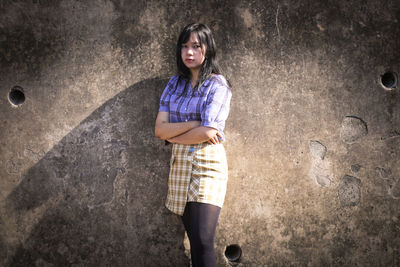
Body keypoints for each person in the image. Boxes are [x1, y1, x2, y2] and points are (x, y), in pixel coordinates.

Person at [154, 23, 232, 267]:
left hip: (207, 164)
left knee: (203, 239)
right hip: (180, 165)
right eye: (184, 46)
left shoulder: (217, 85)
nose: (189, 52)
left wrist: (173, 136)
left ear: (207, 49)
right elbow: (159, 129)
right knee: (193, 240)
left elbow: (209, 131)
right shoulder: (173, 85)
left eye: (195, 46)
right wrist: (194, 124)